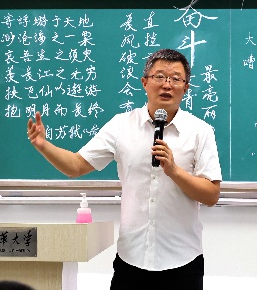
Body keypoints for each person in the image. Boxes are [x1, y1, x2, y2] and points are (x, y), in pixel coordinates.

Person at [27, 48, 222, 290]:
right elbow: (76, 166)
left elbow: (211, 195)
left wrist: (174, 171)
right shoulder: (121, 125)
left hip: (183, 261)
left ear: (186, 88)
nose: (167, 85)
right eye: (159, 76)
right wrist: (44, 146)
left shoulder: (200, 131)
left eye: (175, 79)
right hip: (132, 259)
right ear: (144, 82)